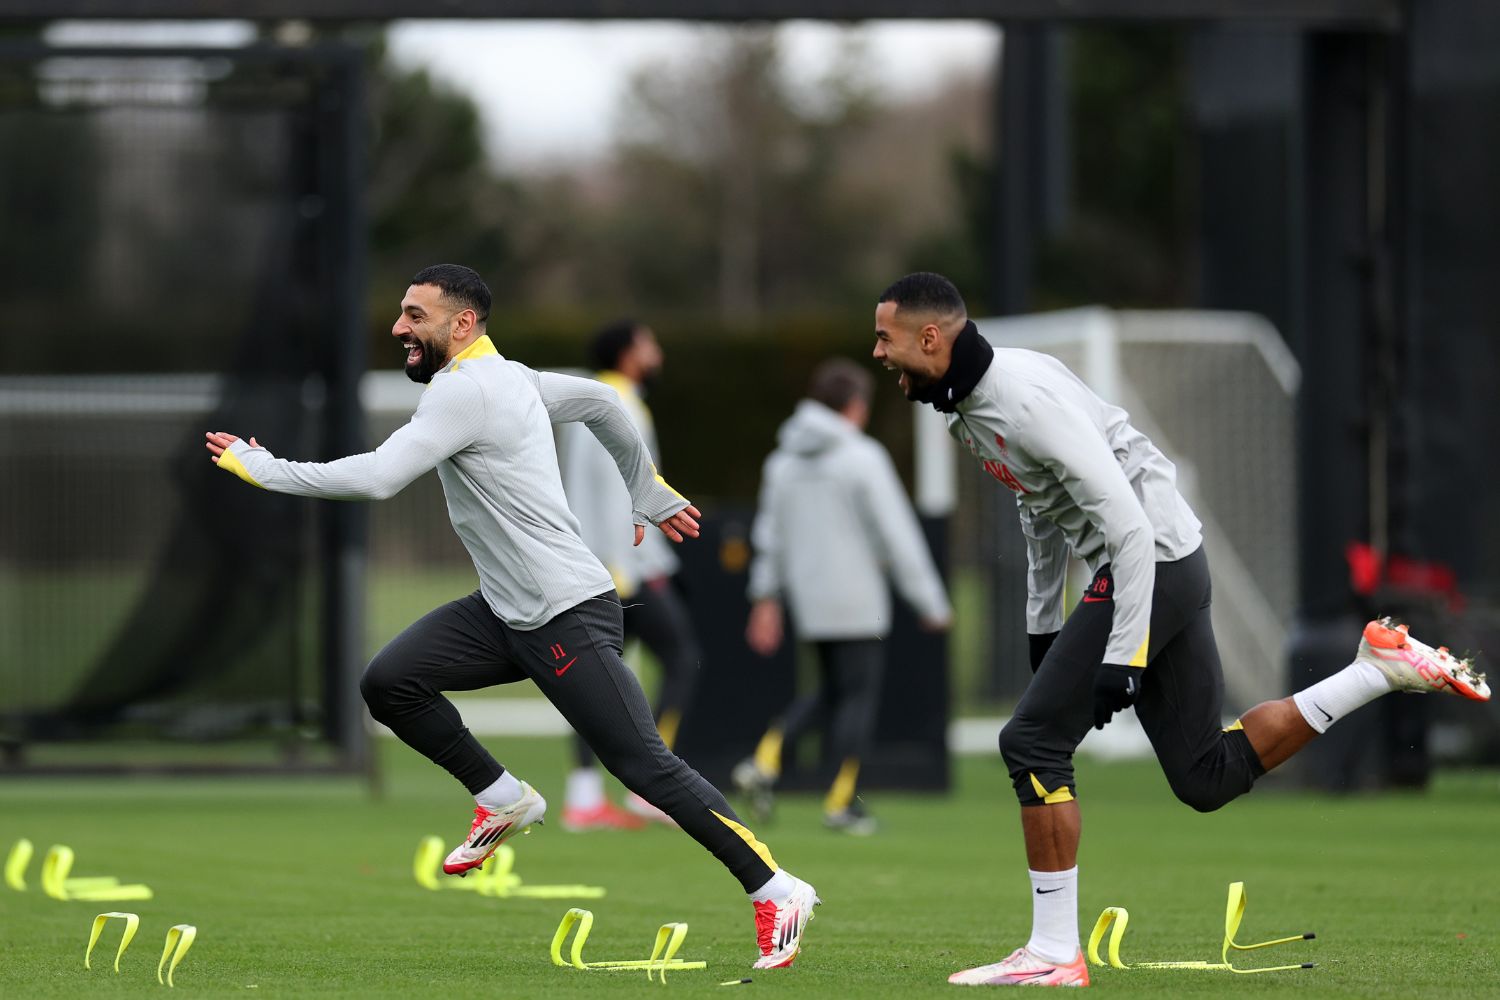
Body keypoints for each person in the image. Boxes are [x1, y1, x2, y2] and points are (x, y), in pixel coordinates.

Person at [870, 272, 1490, 988]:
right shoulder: (965, 403)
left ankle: (1052, 953)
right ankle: (1377, 668)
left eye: (885, 337)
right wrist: (1045, 631)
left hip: (1152, 561)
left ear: (929, 337)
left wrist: (1125, 656)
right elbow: (1037, 506)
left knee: (1031, 742)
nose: (878, 352)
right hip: (1169, 561)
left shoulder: (1022, 397)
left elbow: (1128, 528)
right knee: (1205, 776)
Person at [204, 265, 819, 970]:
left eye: (415, 316)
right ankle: (503, 798)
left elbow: (377, 477)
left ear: (461, 326)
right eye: (402, 314)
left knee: (643, 766)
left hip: (566, 614)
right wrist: (642, 487)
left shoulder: (464, 391)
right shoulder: (513, 377)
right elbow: (601, 401)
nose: (400, 328)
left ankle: (775, 884)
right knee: (391, 682)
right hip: (506, 612)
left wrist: (265, 467)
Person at [733, 358, 952, 835]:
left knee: (831, 690)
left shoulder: (781, 461)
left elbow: (769, 535)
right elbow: (896, 535)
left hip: (809, 598)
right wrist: (930, 602)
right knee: (857, 696)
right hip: (858, 598)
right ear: (854, 407)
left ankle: (765, 760)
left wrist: (765, 597)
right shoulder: (862, 457)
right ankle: (840, 803)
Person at [555, 319, 703, 831]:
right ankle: (650, 786)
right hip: (619, 570)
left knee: (595, 680)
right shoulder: (615, 405)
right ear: (627, 354)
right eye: (649, 344)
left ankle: (584, 798)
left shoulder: (593, 402)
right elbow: (612, 490)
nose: (656, 352)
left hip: (605, 564)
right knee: (681, 657)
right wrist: (624, 565)